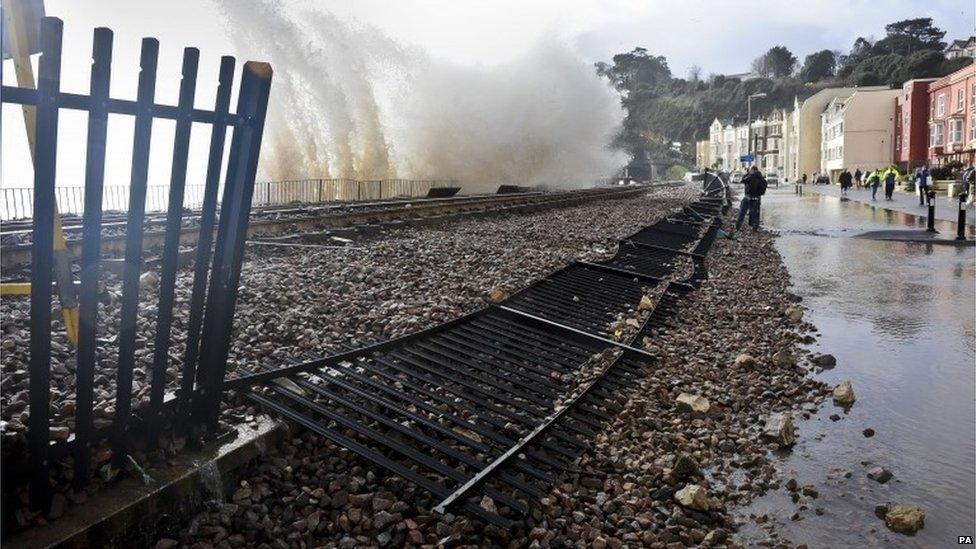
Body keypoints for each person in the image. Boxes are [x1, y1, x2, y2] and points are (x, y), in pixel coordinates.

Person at [736, 165, 767, 231]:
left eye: (751, 170)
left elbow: (743, 181)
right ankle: (753, 228)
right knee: (754, 214)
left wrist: (748, 174)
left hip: (750, 198)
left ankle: (738, 227)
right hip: (754, 198)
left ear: (753, 170)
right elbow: (743, 180)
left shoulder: (753, 177)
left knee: (743, 213)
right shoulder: (760, 178)